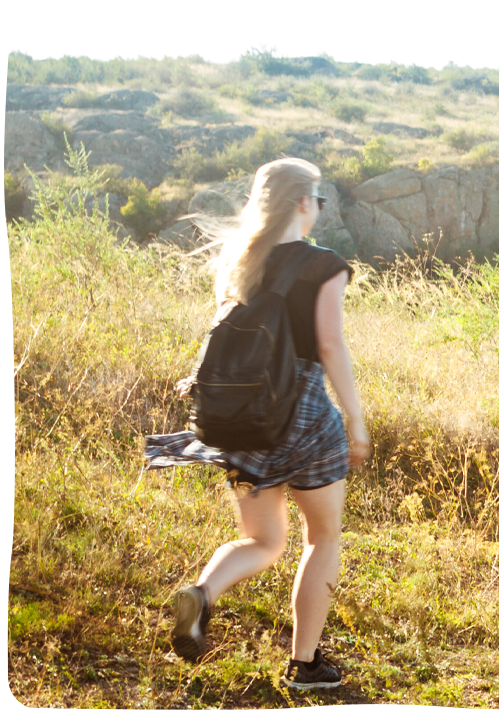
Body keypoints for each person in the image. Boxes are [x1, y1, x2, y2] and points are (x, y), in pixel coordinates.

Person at [144, 158, 369, 690]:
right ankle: (305, 666)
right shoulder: (324, 265)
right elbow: (331, 346)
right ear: (301, 201)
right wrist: (356, 419)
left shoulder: (238, 259)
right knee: (324, 537)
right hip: (306, 417)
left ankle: (202, 594)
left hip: (242, 421)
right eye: (319, 198)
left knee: (263, 541)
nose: (319, 207)